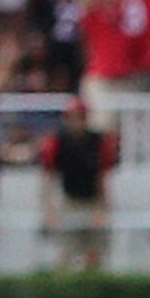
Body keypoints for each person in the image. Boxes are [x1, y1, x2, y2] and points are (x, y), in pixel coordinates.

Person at [46, 109, 111, 268]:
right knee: (67, 250)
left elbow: (101, 177)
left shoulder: (96, 141)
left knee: (95, 251)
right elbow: (49, 177)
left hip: (92, 201)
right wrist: (49, 208)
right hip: (70, 201)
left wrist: (102, 208)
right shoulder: (59, 141)